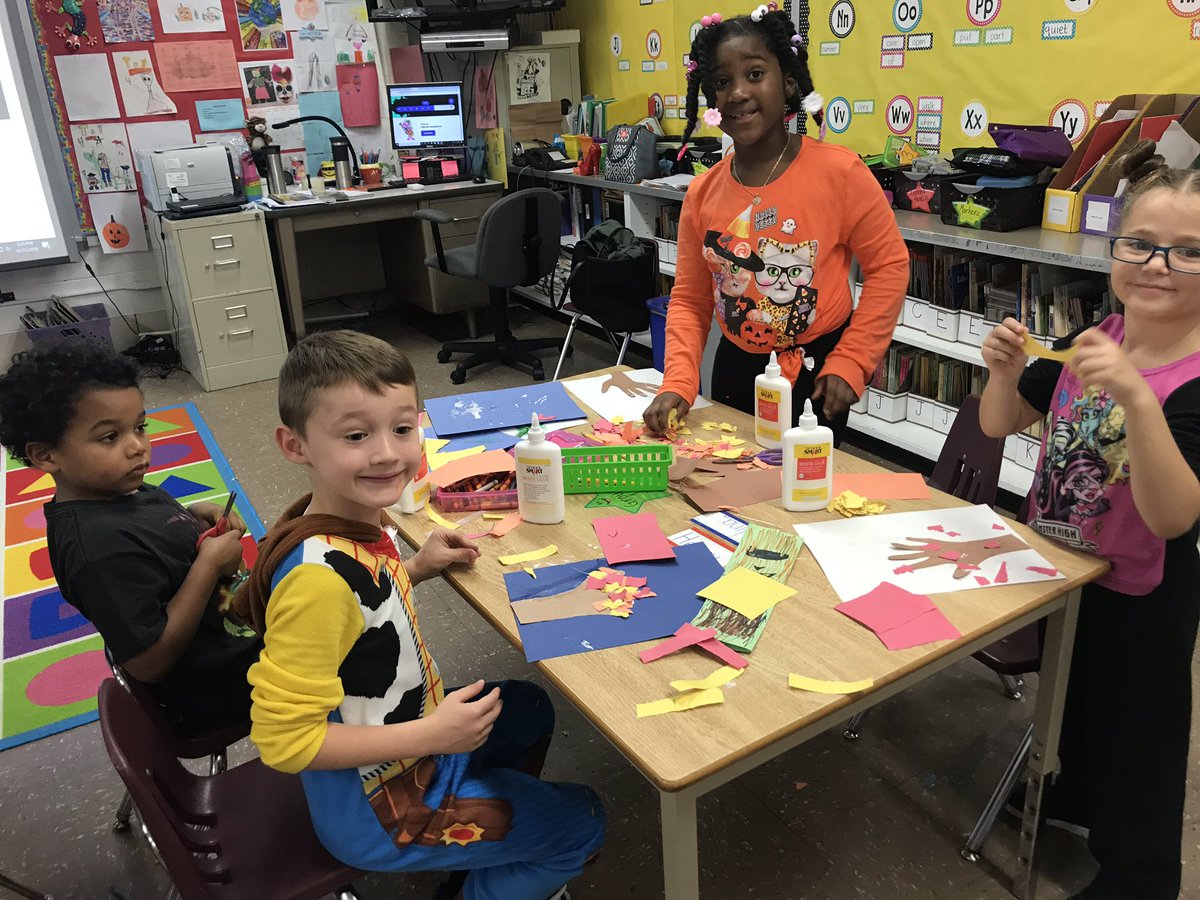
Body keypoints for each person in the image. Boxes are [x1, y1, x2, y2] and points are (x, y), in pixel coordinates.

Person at [234, 331, 604, 900]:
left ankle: (488, 837)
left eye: (403, 428)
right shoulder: (315, 582)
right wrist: (433, 732)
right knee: (584, 820)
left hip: (408, 742)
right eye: (356, 435)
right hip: (382, 806)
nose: (387, 453)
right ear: (295, 445)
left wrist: (416, 567)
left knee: (526, 705)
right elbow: (284, 743)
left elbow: (359, 610)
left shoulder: (345, 519)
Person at [979, 140, 1200, 900]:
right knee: (1072, 696)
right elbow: (1002, 421)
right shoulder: (1093, 339)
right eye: (1140, 244)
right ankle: (1070, 795)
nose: (1158, 266)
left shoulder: (1195, 377)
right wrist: (1003, 374)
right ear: (1114, 252)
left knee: (1139, 732)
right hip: (1065, 563)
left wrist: (1140, 398)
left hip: (1148, 592)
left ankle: (1141, 873)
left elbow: (1175, 516)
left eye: (1188, 253)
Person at [642, 4, 908, 444]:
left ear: (787, 83)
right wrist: (678, 381)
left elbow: (890, 267)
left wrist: (853, 360)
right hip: (735, 368)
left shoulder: (840, 174)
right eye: (722, 82)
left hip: (818, 374)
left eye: (754, 74)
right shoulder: (702, 193)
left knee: (803, 498)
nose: (738, 93)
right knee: (732, 487)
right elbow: (690, 299)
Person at [0, 338, 260, 733]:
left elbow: (152, 539)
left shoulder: (120, 490)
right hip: (223, 685)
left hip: (231, 635)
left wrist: (191, 518)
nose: (138, 446)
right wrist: (208, 565)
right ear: (46, 455)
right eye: (110, 437)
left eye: (140, 427)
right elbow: (149, 662)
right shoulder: (98, 551)